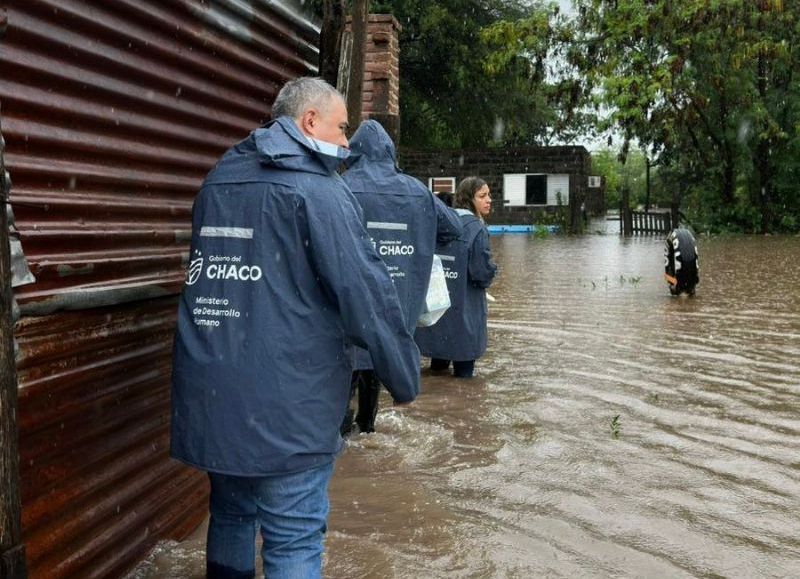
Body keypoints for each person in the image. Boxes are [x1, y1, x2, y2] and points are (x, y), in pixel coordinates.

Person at [170, 77, 420, 578]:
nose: (347, 142)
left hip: (215, 403)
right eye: (341, 128)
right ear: (309, 122)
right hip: (288, 409)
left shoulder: (219, 179)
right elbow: (366, 295)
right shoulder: (319, 191)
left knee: (231, 515)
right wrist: (403, 376)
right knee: (294, 535)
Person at [340, 120, 462, 434]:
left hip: (349, 311)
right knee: (377, 368)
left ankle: (343, 443)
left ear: (353, 151)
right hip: (395, 309)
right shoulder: (417, 192)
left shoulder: (340, 186)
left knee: (343, 377)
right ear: (390, 152)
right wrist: (421, 240)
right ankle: (367, 429)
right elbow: (454, 228)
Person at [414, 176, 497, 378]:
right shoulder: (477, 229)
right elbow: (481, 272)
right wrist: (492, 270)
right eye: (482, 196)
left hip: (438, 311)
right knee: (464, 379)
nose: (489, 200)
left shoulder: (440, 222)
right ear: (469, 199)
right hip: (464, 313)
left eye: (489, 195)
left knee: (436, 371)